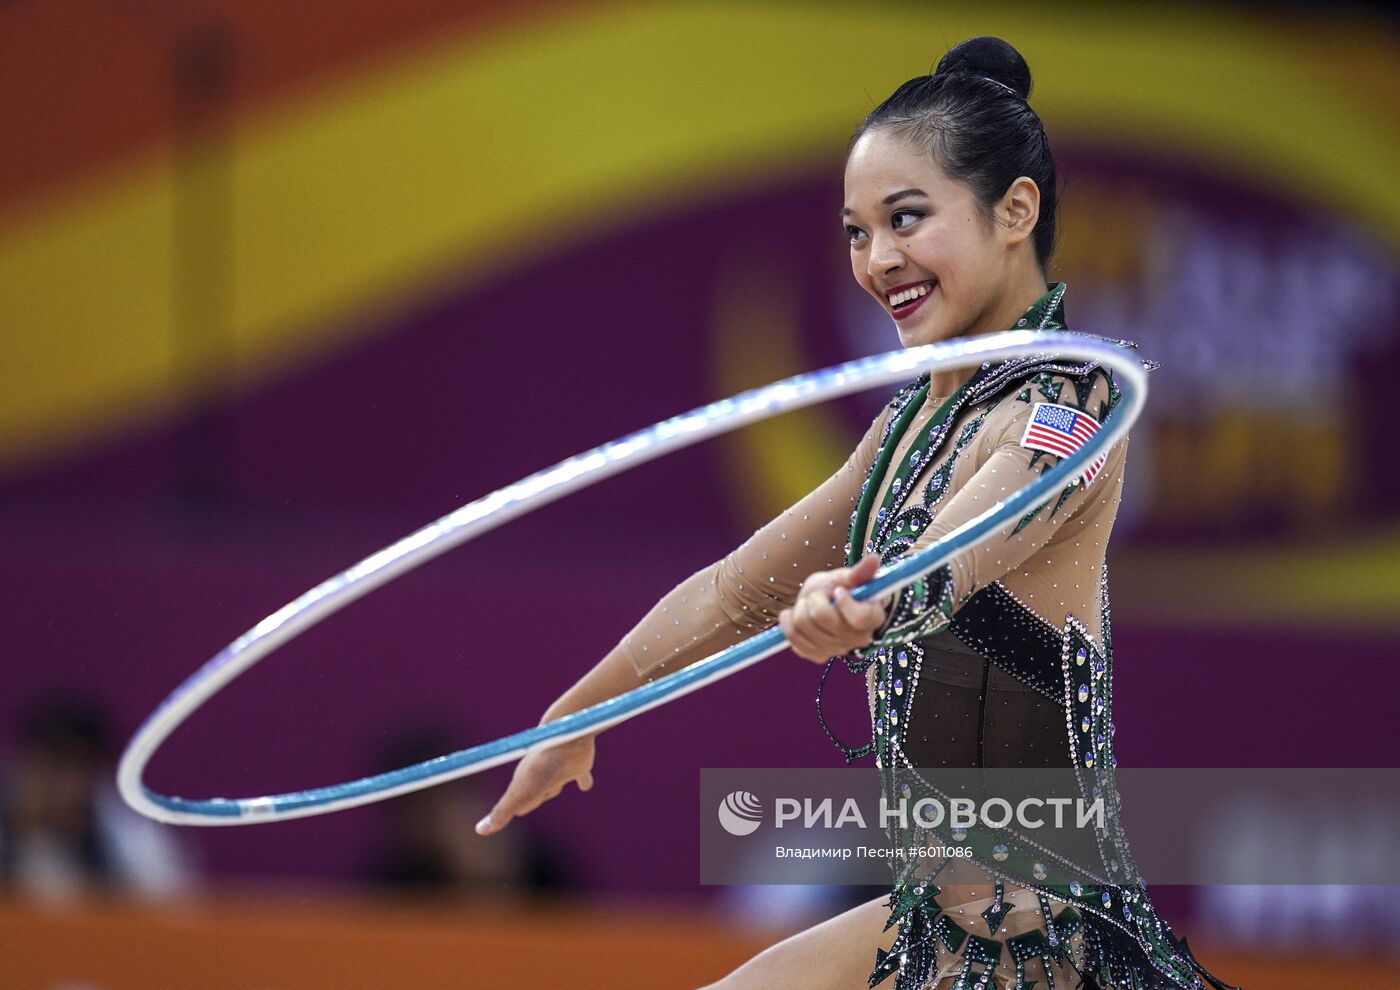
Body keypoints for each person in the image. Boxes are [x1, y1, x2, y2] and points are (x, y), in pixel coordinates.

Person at [475, 37, 1239, 990]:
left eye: (907, 219)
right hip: (938, 926)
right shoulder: (907, 428)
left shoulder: (1071, 402)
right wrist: (581, 711)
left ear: (1015, 211)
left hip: (1049, 943)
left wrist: (869, 598)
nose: (878, 260)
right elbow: (732, 591)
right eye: (856, 230)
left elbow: (959, 551)